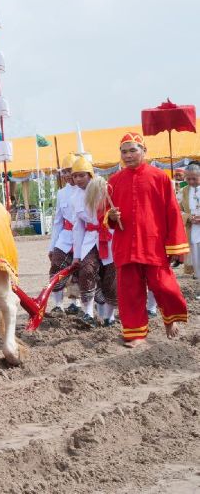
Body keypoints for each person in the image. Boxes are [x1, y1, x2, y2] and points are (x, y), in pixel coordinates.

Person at [107, 132, 190, 348]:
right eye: (124, 151)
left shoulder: (160, 177)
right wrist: (111, 217)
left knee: (163, 285)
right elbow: (104, 213)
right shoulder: (113, 181)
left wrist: (176, 247)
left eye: (133, 150)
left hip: (153, 244)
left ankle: (170, 318)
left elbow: (172, 213)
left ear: (144, 151)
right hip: (125, 245)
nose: (128, 155)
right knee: (130, 292)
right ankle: (136, 334)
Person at [70, 156, 117, 327]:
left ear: (90, 175)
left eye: (81, 175)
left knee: (110, 277)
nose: (78, 179)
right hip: (90, 239)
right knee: (87, 271)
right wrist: (76, 255)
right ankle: (88, 312)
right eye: (75, 176)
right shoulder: (74, 197)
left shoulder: (104, 188)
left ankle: (109, 316)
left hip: (110, 238)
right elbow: (78, 227)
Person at [48, 153, 78, 314]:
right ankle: (58, 304)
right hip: (65, 237)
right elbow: (57, 221)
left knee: (80, 271)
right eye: (64, 172)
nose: (67, 175)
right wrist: (52, 246)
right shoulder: (61, 193)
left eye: (70, 171)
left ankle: (77, 304)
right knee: (56, 268)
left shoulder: (89, 190)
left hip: (84, 238)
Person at [179, 163, 200, 283]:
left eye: (194, 178)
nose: (191, 181)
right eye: (188, 178)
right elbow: (177, 210)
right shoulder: (183, 191)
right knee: (196, 260)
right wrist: (188, 217)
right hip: (192, 231)